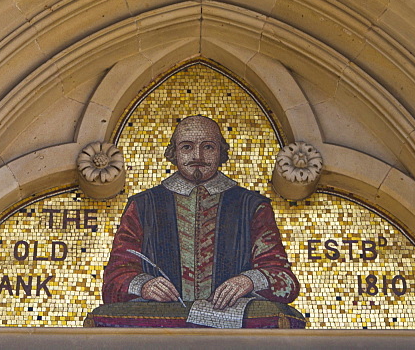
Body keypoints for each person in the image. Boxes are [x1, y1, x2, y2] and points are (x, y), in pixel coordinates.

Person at [102, 115, 299, 309]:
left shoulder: (252, 206)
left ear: (220, 152)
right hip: (161, 326)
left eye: (208, 147)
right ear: (174, 152)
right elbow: (115, 278)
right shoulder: (143, 206)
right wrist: (144, 285)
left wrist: (249, 281)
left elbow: (285, 280)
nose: (198, 156)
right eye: (187, 147)